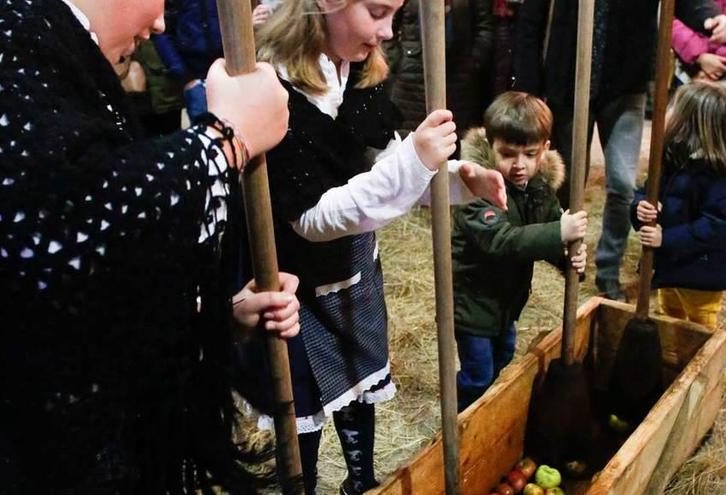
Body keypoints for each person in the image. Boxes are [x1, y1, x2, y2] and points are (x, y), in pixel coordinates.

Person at [0, 0, 300, 492]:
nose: (159, 23)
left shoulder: (33, 36)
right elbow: (55, 236)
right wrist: (225, 142)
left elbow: (79, 296)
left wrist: (212, 317)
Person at [248, 1, 507, 493]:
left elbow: (384, 162)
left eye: (396, 14)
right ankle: (300, 484)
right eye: (377, 11)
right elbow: (312, 217)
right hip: (294, 280)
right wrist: (415, 161)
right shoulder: (271, 88)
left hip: (354, 266)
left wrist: (454, 179)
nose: (387, 32)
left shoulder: (358, 73)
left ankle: (361, 479)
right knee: (299, 397)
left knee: (358, 375)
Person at [513, 0, 726, 301]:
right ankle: (564, 253)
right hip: (569, 80)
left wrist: (709, 16)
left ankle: (608, 269)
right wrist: (529, 85)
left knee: (623, 184)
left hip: (625, 83)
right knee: (569, 180)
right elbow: (531, 20)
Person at [451, 92, 588, 411]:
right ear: (489, 145)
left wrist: (568, 259)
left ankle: (487, 415)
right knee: (478, 375)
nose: (519, 165)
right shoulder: (474, 190)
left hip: (506, 303)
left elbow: (550, 228)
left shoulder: (538, 188)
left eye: (530, 154)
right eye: (508, 154)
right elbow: (504, 240)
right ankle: (461, 421)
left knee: (503, 360)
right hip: (472, 304)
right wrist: (559, 232)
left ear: (546, 148)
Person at [631, 82, 726, 331]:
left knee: (699, 323)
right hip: (669, 264)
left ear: (691, 122)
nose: (668, 113)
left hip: (701, 273)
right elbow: (646, 190)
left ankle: (699, 364)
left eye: (675, 108)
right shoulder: (672, 158)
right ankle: (672, 360)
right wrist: (640, 206)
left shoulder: (723, 178)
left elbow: (717, 228)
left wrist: (667, 238)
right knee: (668, 315)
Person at [386, 0, 494, 135]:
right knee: (408, 139)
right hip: (410, 78)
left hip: (459, 79)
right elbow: (388, 22)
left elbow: (484, 28)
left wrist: (473, 62)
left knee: (452, 140)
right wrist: (397, 60)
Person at [152, 0, 224, 123]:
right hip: (195, 75)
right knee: (204, 133)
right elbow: (162, 32)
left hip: (229, 69)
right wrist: (185, 77)